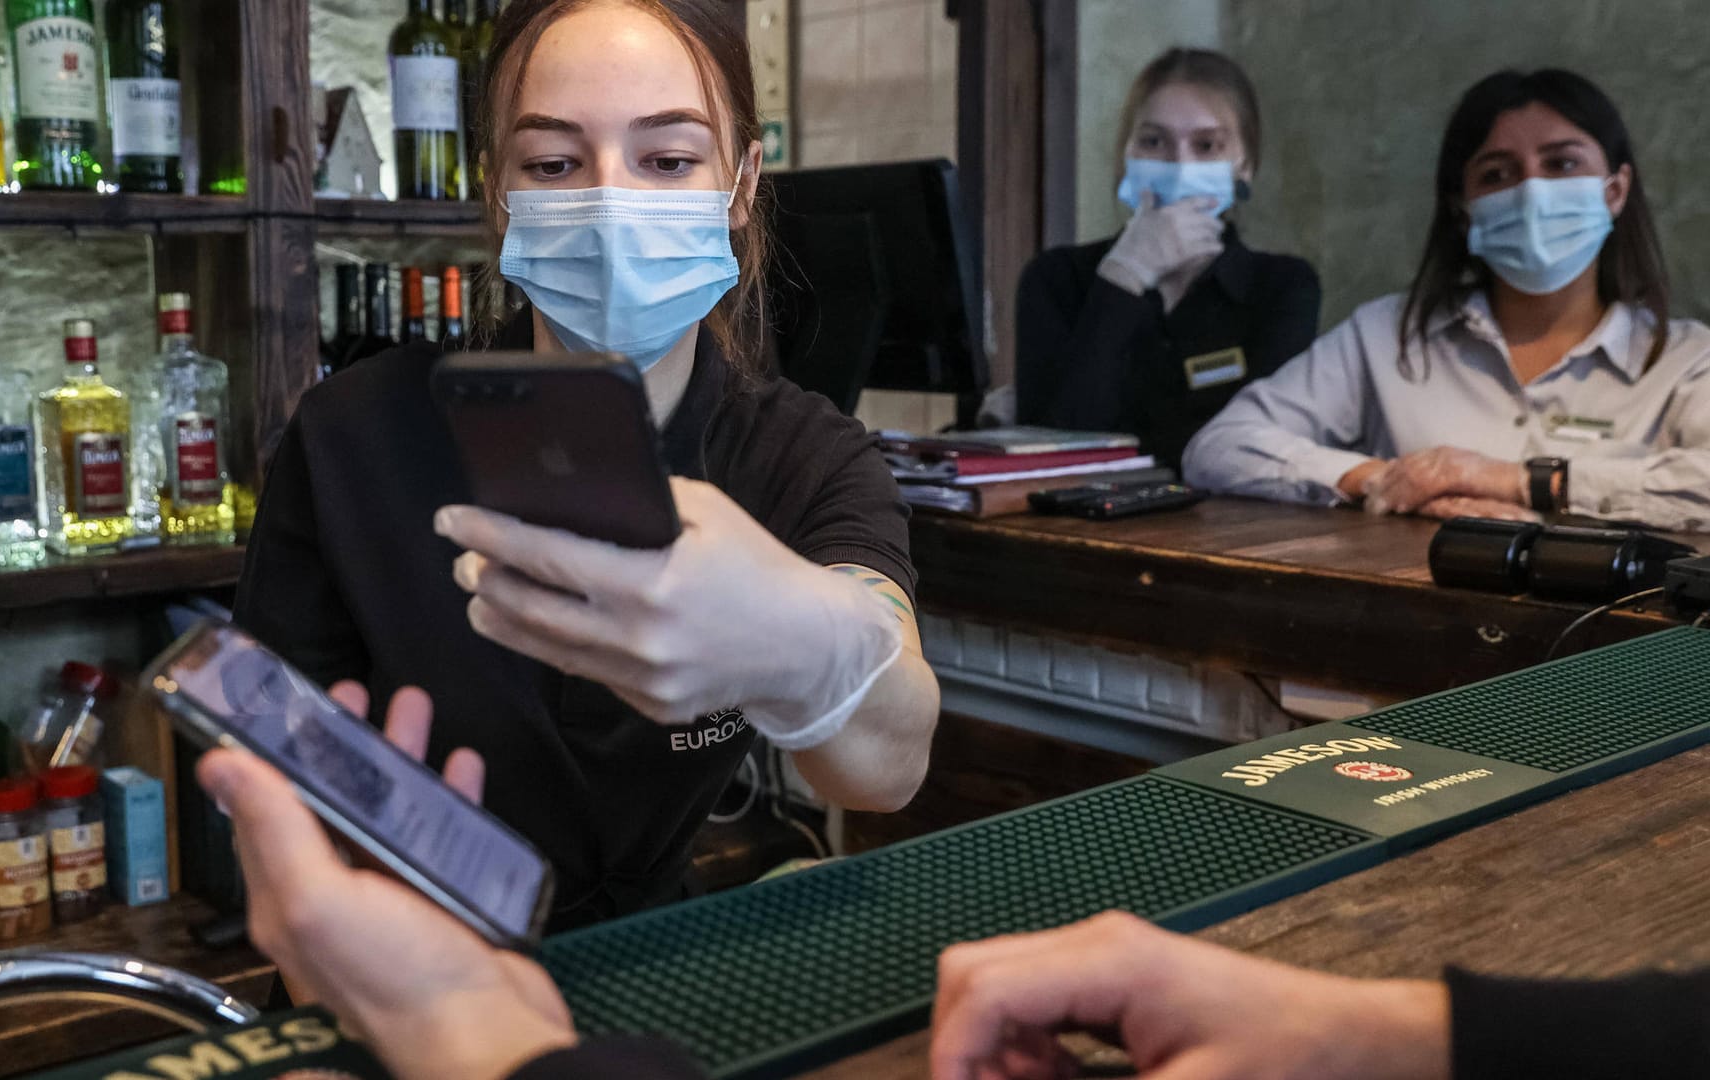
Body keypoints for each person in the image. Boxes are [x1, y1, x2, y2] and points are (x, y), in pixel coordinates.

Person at [234, 0, 938, 935]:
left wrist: (807, 645)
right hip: (394, 961)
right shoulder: (351, 435)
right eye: (555, 164)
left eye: (670, 159)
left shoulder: (804, 458)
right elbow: (269, 768)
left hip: (641, 966)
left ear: (740, 182)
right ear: (500, 193)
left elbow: (888, 768)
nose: (614, 201)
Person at [200, 695, 1710, 1080]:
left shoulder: (789, 443)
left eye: (663, 155)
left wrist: (477, 1031)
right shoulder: (354, 439)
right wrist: (1391, 1038)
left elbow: (890, 738)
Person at [1184, 69, 1710, 532]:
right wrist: (1386, 480)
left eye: (1561, 164)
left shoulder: (1685, 360)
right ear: (1463, 210)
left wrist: (1517, 482)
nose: (1531, 194)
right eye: (1497, 174)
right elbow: (1220, 447)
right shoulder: (1387, 334)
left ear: (1614, 191)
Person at [1015, 48, 1320, 472]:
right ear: (1126, 153)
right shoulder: (1056, 278)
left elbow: (1256, 448)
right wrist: (1125, 275)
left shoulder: (1282, 287)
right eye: (1154, 141)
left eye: (1207, 145)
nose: (1180, 164)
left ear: (1244, 165)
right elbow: (1045, 446)